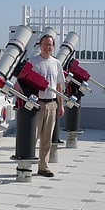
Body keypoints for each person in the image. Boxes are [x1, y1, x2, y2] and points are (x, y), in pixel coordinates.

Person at [29, 34, 65, 177]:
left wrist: (60, 105)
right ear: (40, 45)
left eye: (50, 44)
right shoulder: (33, 62)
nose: (47, 47)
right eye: (45, 44)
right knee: (33, 136)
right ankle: (25, 165)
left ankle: (43, 167)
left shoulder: (56, 63)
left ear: (53, 46)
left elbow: (58, 86)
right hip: (38, 104)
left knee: (47, 139)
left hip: (51, 104)